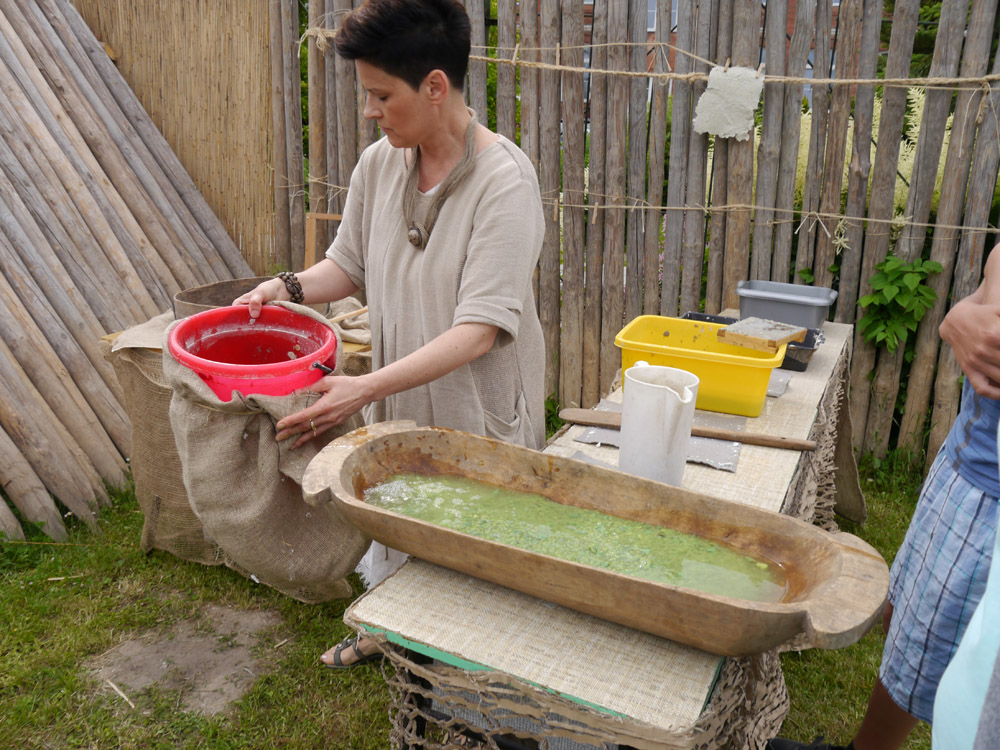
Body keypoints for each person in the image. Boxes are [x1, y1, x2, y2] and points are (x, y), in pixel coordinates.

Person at [235, 0, 545, 668]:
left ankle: (462, 664)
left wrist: (363, 387)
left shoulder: (505, 184)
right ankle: (392, 626)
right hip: (400, 394)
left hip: (476, 411)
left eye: (381, 95)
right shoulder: (381, 163)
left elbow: (479, 331)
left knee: (472, 543)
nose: (369, 111)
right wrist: (284, 288)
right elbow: (346, 266)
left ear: (434, 86)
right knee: (398, 514)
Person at [768, 244, 1000, 750]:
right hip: (964, 469)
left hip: (992, 501)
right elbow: (992, 279)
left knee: (975, 688)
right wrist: (964, 316)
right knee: (909, 630)